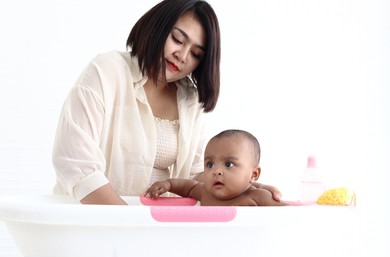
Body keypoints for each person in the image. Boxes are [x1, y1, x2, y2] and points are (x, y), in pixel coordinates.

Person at [52, 0, 281, 205]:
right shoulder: (106, 71)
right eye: (178, 40)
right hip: (94, 224)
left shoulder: (190, 100)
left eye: (196, 54)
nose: (182, 56)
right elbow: (77, 164)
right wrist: (129, 226)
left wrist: (242, 188)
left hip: (158, 228)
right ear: (156, 27)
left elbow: (195, 177)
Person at [146, 129, 288, 206]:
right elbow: (186, 187)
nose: (216, 171)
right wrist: (168, 184)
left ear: (254, 174)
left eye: (229, 164)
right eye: (210, 164)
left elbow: (288, 215)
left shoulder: (257, 196)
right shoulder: (205, 192)